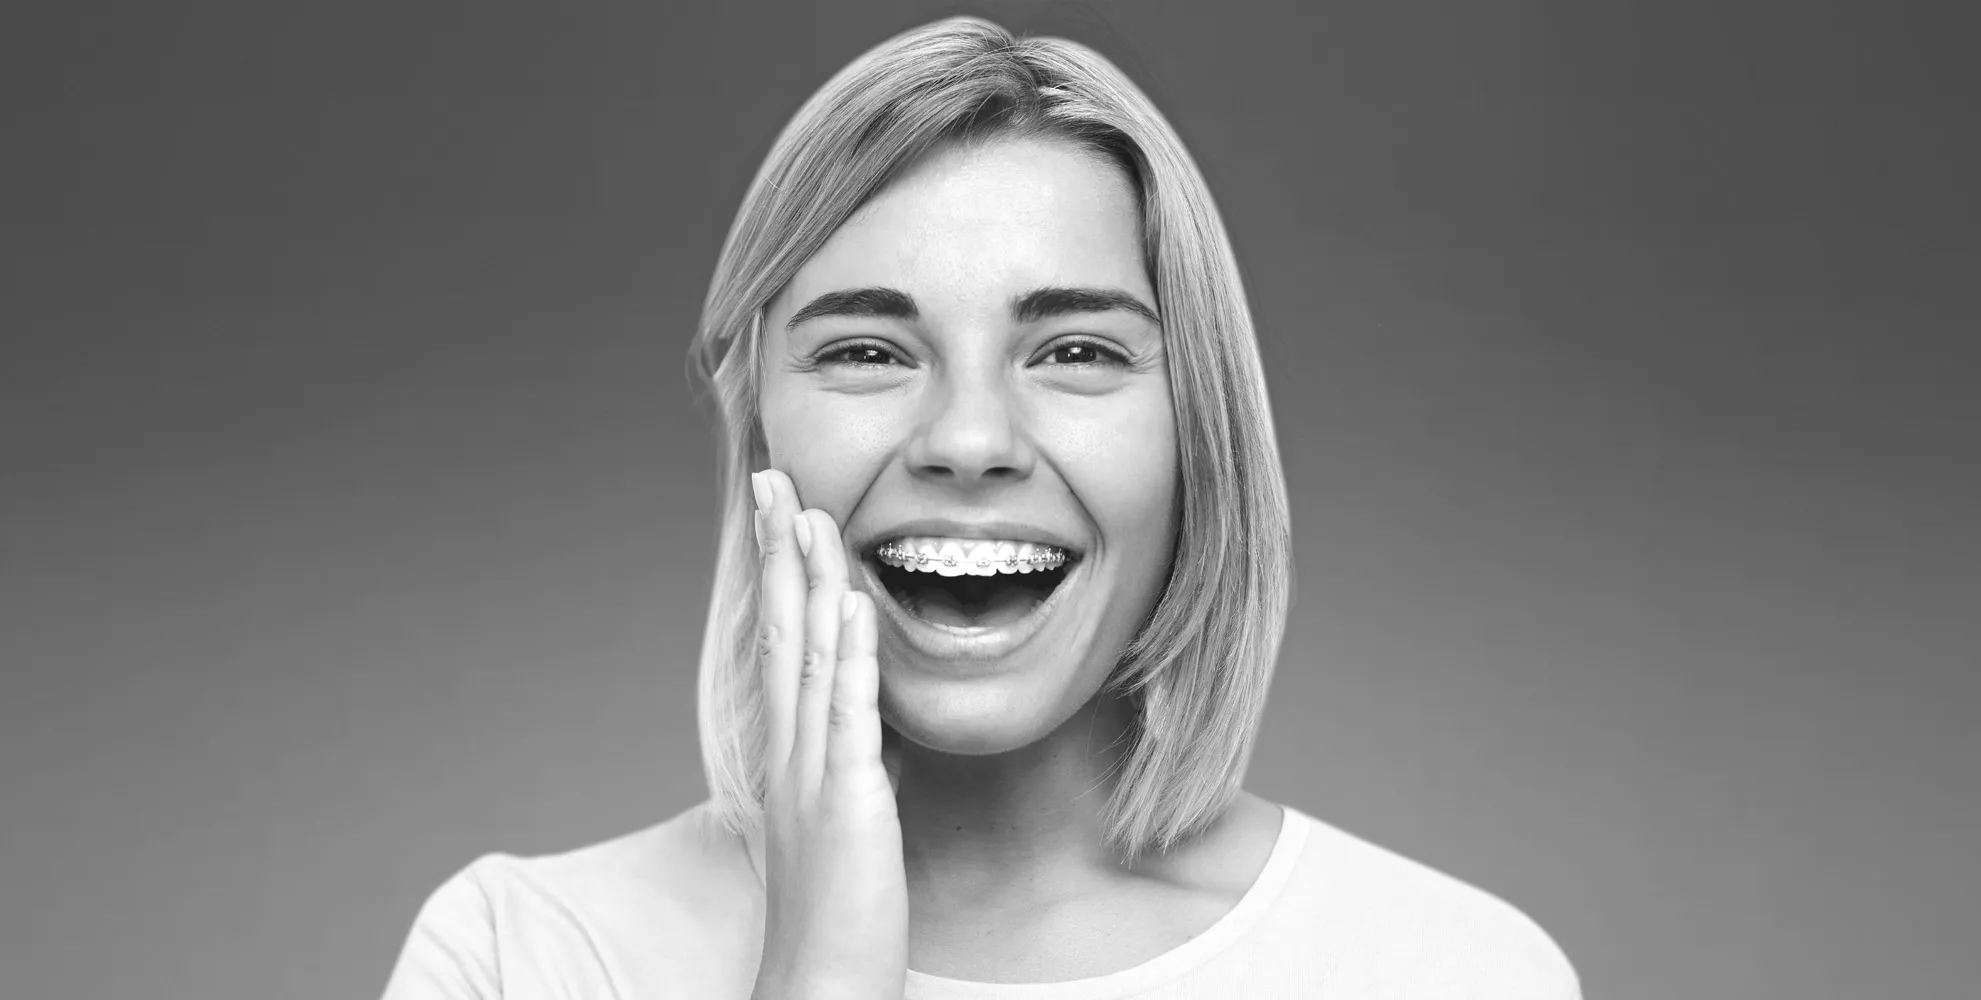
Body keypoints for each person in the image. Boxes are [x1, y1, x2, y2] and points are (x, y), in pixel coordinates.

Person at [380, 16, 1581, 999]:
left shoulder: (1454, 971)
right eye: (864, 350)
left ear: (1195, 434)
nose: (967, 441)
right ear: (761, 436)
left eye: (1073, 351)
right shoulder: (519, 956)